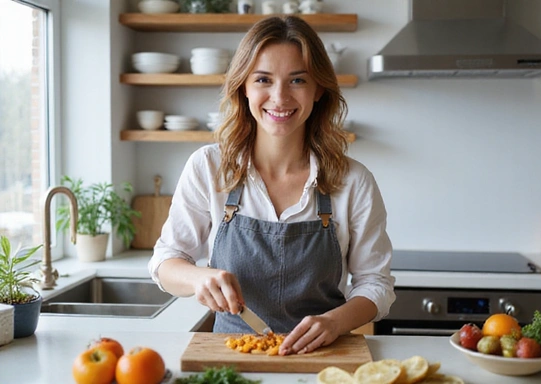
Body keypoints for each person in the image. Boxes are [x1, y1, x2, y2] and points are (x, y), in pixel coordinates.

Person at [149, 15, 395, 356]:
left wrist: (335, 322)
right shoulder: (208, 167)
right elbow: (166, 260)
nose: (279, 98)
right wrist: (197, 278)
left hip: (322, 358)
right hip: (233, 356)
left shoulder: (353, 181)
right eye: (263, 79)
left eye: (297, 80)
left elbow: (375, 284)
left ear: (318, 89)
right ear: (244, 86)